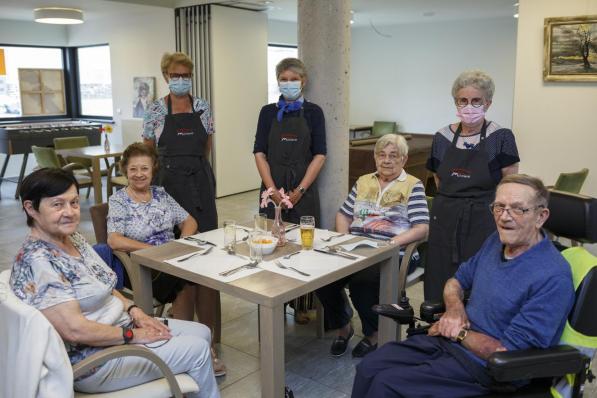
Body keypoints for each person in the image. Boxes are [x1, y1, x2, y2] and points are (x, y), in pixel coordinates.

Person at [352, 174, 575, 397]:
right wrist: (454, 309)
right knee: (369, 366)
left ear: (540, 216)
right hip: (451, 344)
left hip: (486, 370)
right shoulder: (496, 241)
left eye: (518, 209)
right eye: (499, 207)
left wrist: (458, 333)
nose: (504, 217)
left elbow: (507, 353)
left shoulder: (552, 277)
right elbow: (456, 281)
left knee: (387, 385)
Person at [10, 168, 219, 397]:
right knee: (198, 350)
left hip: (120, 328)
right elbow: (75, 331)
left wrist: (135, 311)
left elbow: (104, 284)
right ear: (31, 208)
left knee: (201, 332)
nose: (69, 212)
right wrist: (132, 335)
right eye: (57, 205)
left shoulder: (72, 239)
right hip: (96, 360)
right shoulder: (40, 262)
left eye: (74, 202)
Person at [106, 142, 225, 376]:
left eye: (144, 168)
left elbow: (190, 222)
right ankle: (188, 349)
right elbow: (114, 241)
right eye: (133, 169)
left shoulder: (160, 194)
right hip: (143, 266)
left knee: (206, 279)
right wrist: (152, 249)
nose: (139, 174)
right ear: (125, 171)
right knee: (186, 283)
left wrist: (181, 244)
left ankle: (206, 345)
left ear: (153, 170)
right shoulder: (119, 200)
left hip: (173, 257)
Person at [316, 134, 429, 358]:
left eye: (393, 156)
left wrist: (391, 243)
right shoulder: (364, 181)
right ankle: (344, 326)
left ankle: (374, 333)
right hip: (358, 247)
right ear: (375, 157)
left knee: (362, 282)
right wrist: (344, 239)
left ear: (403, 160)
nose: (386, 160)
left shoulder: (412, 185)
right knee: (321, 277)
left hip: (393, 250)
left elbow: (422, 228)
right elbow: (344, 214)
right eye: (381, 155)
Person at [142, 51, 221, 345]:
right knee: (180, 259)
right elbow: (148, 150)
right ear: (166, 77)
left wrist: (195, 169)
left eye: (185, 76)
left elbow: (207, 145)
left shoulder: (202, 106)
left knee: (209, 254)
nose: (180, 80)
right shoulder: (154, 110)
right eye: (175, 76)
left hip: (199, 184)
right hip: (168, 185)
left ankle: (210, 337)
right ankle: (184, 335)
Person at [424, 69, 520, 301]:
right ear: (455, 102)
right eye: (463, 100)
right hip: (444, 220)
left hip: (483, 220)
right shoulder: (442, 137)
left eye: (476, 100)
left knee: (479, 281)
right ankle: (438, 326)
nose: (469, 106)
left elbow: (509, 182)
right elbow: (438, 179)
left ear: (487, 103)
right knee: (440, 277)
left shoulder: (501, 137)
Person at [253, 57, 327, 324]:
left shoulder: (314, 112)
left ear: (303, 81)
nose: (288, 84)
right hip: (272, 186)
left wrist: (300, 190)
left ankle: (302, 306)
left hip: (302, 190)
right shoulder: (267, 112)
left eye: (293, 79)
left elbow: (320, 155)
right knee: (270, 243)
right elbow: (259, 152)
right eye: (283, 79)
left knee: (301, 246)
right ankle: (270, 296)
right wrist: (272, 189)